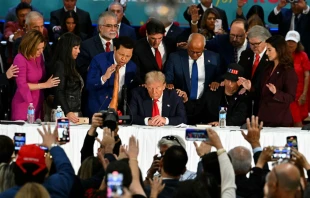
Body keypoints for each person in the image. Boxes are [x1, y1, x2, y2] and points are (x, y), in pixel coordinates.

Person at [0, 124, 75, 198]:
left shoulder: (5, 195)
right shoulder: (56, 188)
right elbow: (66, 169)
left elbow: (67, 170)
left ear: (15, 171)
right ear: (45, 172)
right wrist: (52, 145)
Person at [241, 35, 298, 127]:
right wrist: (250, 88)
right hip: (263, 119)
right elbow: (260, 93)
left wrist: (276, 92)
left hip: (280, 121)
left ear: (279, 50)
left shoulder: (288, 71)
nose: (266, 53)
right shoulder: (267, 68)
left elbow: (291, 97)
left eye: (269, 50)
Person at [165, 33, 221, 124]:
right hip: (183, 104)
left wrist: (217, 81)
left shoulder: (214, 58)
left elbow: (220, 76)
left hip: (205, 105)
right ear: (187, 45)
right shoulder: (175, 57)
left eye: (198, 52)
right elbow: (168, 77)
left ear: (204, 47)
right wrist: (169, 84)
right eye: (191, 51)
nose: (194, 55)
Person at [11, 30, 60, 121]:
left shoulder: (39, 57)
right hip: (24, 103)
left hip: (38, 102)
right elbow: (22, 85)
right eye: (38, 49)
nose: (41, 51)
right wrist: (45, 85)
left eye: (42, 48)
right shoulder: (20, 59)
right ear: (30, 46)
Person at [86, 36, 138, 117]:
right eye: (121, 54)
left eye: (128, 56)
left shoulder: (132, 67)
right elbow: (89, 85)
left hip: (121, 112)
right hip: (99, 109)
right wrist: (104, 78)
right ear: (114, 49)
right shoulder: (99, 60)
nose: (124, 58)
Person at [238, 25, 271, 116]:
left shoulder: (271, 57)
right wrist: (243, 84)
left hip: (263, 101)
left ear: (265, 41)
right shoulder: (246, 54)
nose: (254, 47)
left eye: (257, 44)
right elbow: (240, 73)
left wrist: (251, 88)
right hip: (246, 101)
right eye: (251, 44)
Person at [50, 32, 83, 123]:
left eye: (79, 48)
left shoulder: (71, 65)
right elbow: (59, 90)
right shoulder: (60, 65)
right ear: (67, 48)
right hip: (63, 114)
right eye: (75, 48)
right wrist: (67, 111)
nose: (78, 51)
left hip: (72, 112)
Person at [76, 11, 118, 81]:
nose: (113, 29)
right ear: (100, 28)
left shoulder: (120, 44)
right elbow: (82, 70)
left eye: (115, 26)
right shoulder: (87, 45)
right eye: (109, 26)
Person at [285, 31, 310, 127]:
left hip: (300, 95)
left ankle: (298, 142)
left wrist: (304, 94)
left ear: (298, 43)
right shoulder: (281, 55)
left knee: (298, 122)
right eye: (289, 41)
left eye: (293, 42)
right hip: (286, 95)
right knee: (288, 122)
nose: (290, 44)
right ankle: (289, 142)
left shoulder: (303, 55)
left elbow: (307, 75)